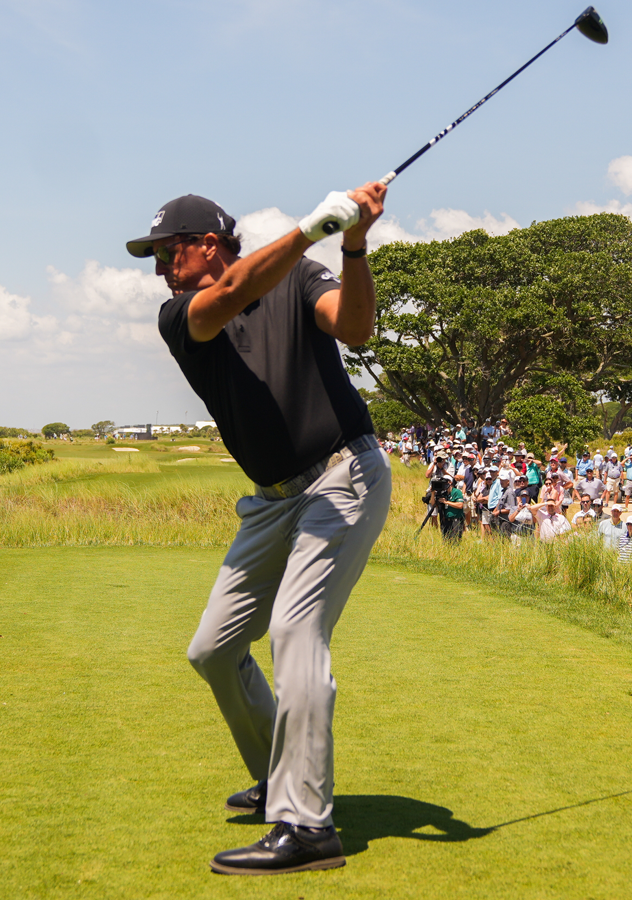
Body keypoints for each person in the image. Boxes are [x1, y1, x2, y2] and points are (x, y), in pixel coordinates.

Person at [137, 184, 390, 874]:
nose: (161, 269)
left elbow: (355, 328)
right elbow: (231, 292)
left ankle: (306, 827)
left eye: (168, 253)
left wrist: (354, 244)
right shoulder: (180, 315)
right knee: (214, 649)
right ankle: (280, 778)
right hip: (271, 500)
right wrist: (310, 228)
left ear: (208, 244)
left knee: (295, 631)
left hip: (342, 474)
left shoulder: (300, 276)